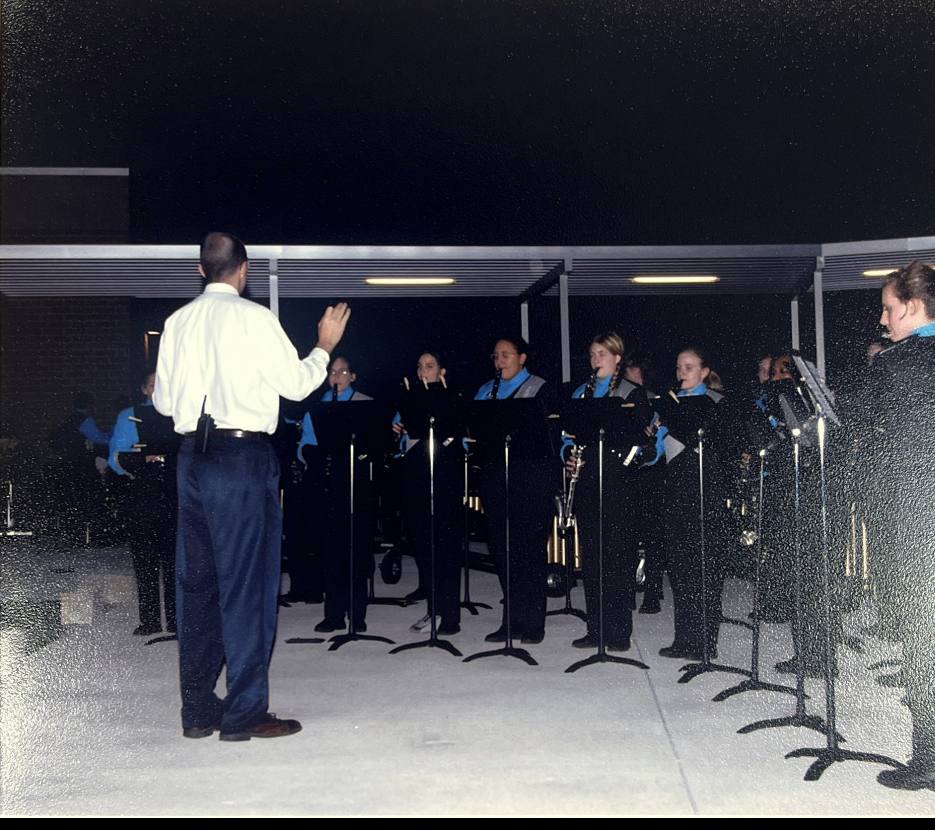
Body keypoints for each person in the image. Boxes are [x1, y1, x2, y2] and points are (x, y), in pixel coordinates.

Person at [153, 232, 350, 741]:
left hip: (191, 460)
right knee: (247, 586)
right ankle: (244, 713)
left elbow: (164, 405)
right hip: (240, 459)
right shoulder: (255, 318)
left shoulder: (176, 323)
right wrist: (324, 345)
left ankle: (197, 709)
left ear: (201, 270)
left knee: (196, 585)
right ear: (243, 271)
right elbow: (298, 384)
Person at [844, 261, 935, 792]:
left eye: (887, 307)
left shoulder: (898, 365)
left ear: (913, 307)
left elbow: (852, 423)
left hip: (914, 520)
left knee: (922, 635)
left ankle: (928, 756)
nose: (882, 318)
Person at [563, 333, 652, 651]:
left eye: (602, 353)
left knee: (618, 560)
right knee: (592, 561)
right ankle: (595, 628)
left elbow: (644, 442)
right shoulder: (579, 394)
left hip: (619, 486)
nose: (595, 359)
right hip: (587, 486)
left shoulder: (632, 393)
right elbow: (566, 436)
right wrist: (569, 457)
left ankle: (618, 632)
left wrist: (619, 466)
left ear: (617, 357)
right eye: (592, 354)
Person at [474, 337, 557, 644]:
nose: (499, 361)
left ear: (522, 357)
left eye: (506, 355)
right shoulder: (486, 390)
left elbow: (550, 438)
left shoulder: (541, 388)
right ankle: (512, 620)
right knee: (503, 551)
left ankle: (535, 622)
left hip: (531, 477)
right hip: (497, 475)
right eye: (496, 356)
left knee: (529, 551)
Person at [656, 347, 728, 661]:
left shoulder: (716, 402)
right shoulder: (669, 405)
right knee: (680, 567)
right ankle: (684, 639)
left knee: (705, 569)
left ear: (703, 371)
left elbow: (723, 448)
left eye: (689, 367)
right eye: (678, 367)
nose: (682, 373)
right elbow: (659, 451)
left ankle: (706, 641)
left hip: (706, 492)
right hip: (675, 491)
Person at [300, 356, 376, 634]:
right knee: (331, 550)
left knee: (356, 548)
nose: (337, 376)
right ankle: (333, 614)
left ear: (352, 376)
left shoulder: (366, 404)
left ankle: (358, 614)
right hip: (329, 483)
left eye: (342, 371)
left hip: (357, 483)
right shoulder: (317, 408)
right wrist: (313, 454)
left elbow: (381, 438)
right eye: (332, 372)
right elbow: (306, 443)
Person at [394, 351, 463, 635]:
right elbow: (401, 440)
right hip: (417, 473)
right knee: (423, 544)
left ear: (442, 372)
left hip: (444, 475)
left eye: (430, 366)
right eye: (420, 366)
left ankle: (449, 616)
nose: (423, 371)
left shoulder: (453, 399)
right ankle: (432, 609)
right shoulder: (409, 400)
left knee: (445, 546)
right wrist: (397, 431)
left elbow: (461, 436)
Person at [109, 372, 177, 636]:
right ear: (144, 389)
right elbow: (116, 455)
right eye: (152, 384)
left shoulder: (180, 413)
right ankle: (149, 620)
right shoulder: (129, 415)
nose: (158, 388)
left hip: (173, 492)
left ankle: (175, 620)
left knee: (174, 561)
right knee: (144, 560)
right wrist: (142, 458)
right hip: (143, 493)